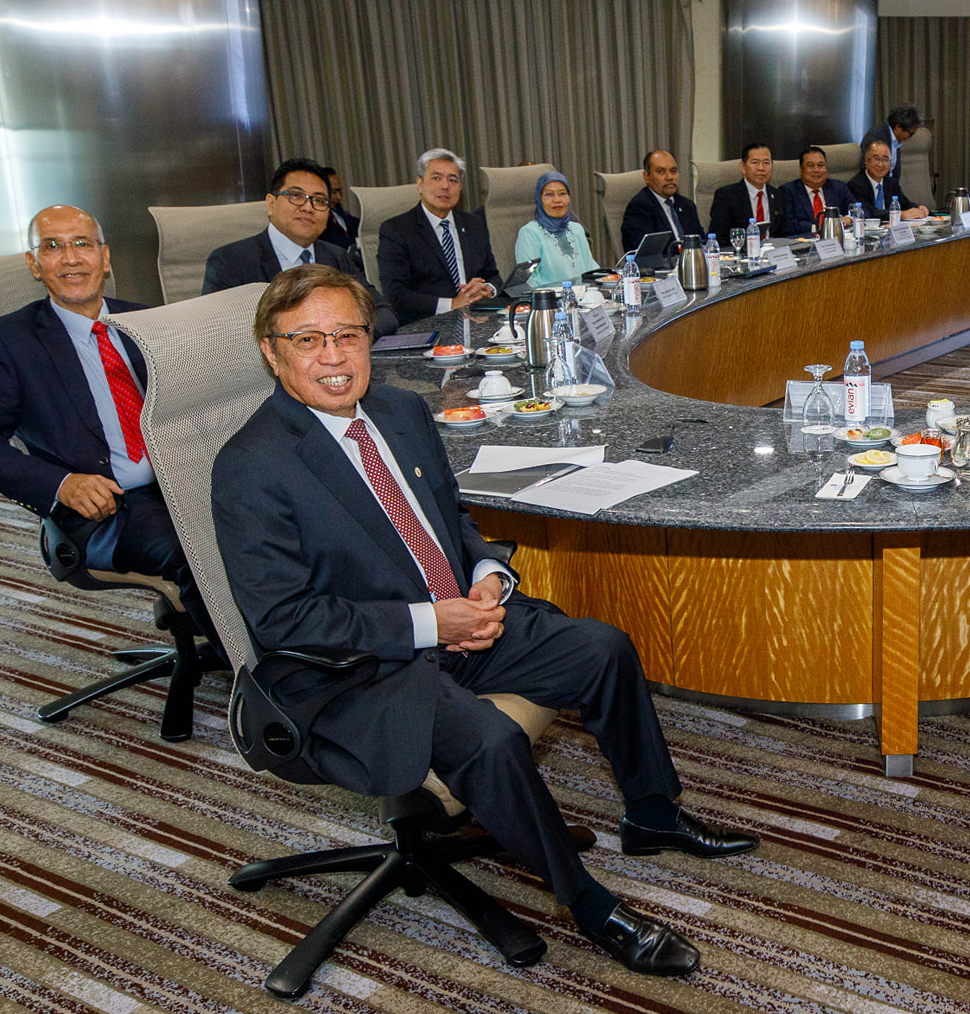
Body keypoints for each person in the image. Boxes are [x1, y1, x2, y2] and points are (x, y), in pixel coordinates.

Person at [212, 265, 759, 976]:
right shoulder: (252, 465)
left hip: (456, 621)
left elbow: (452, 521)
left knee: (603, 648)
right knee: (491, 738)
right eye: (309, 339)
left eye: (348, 334)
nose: (334, 355)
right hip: (353, 668)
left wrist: (487, 576)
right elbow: (286, 620)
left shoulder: (401, 412)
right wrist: (432, 624)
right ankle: (590, 905)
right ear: (271, 350)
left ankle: (652, 814)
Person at [0, 205, 211, 632]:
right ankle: (257, 671)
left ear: (104, 257)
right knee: (202, 552)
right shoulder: (7, 341)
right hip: (107, 511)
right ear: (34, 264)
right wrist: (62, 484)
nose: (70, 258)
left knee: (279, 523)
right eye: (52, 246)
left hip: (184, 485)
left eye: (82, 244)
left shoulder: (148, 321)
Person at [203, 158, 397, 335]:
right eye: (296, 196)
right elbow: (218, 335)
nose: (308, 207)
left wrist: (339, 335)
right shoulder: (230, 261)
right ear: (270, 204)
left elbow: (384, 314)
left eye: (319, 201)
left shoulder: (337, 257)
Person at [375, 148, 504, 323]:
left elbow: (493, 275)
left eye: (452, 180)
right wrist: (452, 304)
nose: (445, 186)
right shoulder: (396, 230)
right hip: (428, 324)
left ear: (460, 188)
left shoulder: (473, 224)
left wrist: (487, 289)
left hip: (477, 318)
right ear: (420, 184)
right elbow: (396, 295)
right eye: (436, 178)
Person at [513, 170, 597, 288]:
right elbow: (530, 280)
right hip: (549, 298)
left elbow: (591, 268)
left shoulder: (577, 229)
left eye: (562, 193)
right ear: (539, 199)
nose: (557, 200)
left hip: (584, 296)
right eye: (549, 194)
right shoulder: (529, 233)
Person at [620, 149, 703, 254]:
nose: (669, 177)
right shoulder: (639, 208)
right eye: (661, 172)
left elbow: (702, 242)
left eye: (673, 171)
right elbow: (646, 255)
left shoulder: (687, 205)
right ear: (646, 176)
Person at [707, 142, 787, 241]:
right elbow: (718, 238)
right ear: (743, 167)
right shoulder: (726, 196)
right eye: (755, 162)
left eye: (766, 163)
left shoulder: (778, 195)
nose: (761, 168)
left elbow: (784, 233)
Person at [846, 133, 927, 220]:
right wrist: (898, 215)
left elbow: (904, 204)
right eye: (876, 159)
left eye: (885, 160)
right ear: (866, 160)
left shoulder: (891, 183)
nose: (880, 164)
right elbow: (868, 212)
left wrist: (918, 208)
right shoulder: (856, 185)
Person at [780, 145, 855, 237]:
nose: (816, 170)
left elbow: (859, 210)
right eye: (810, 166)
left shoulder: (838, 187)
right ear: (801, 170)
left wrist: (849, 219)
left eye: (820, 165)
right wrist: (819, 227)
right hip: (805, 241)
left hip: (837, 240)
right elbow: (787, 225)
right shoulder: (788, 191)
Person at [322, 166, 361, 252]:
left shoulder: (337, 208)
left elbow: (358, 224)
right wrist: (360, 242)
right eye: (334, 192)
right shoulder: (317, 218)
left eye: (340, 192)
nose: (339, 197)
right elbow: (333, 240)